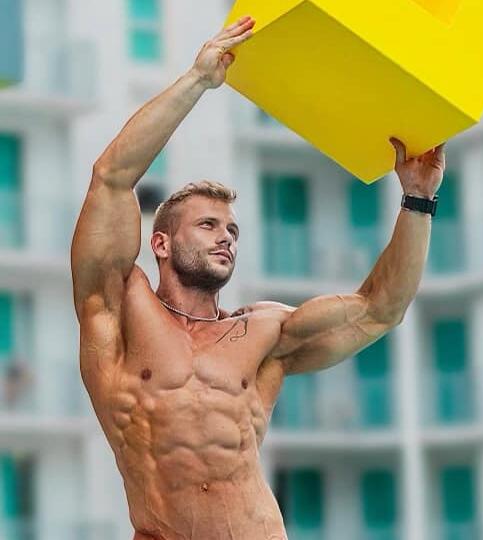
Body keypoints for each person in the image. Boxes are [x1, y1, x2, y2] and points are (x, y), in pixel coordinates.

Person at [70, 14, 445, 540]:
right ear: (161, 243)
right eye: (207, 225)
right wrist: (199, 78)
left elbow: (380, 308)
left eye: (232, 230)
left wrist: (418, 198)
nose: (226, 237)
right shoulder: (116, 310)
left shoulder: (265, 334)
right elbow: (110, 178)